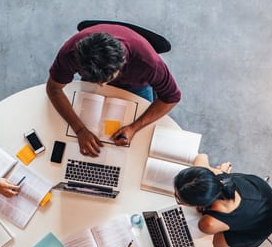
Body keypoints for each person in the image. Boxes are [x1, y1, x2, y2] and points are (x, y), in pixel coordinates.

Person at [46, 23, 181, 157]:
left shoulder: (149, 64)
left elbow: (171, 98)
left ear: (122, 61)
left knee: (138, 144)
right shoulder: (70, 52)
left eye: (107, 79)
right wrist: (80, 129)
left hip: (136, 86)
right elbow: (54, 89)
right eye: (97, 81)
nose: (102, 86)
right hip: (91, 82)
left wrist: (134, 127)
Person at [174, 154, 272, 247]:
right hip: (262, 192)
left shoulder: (207, 224)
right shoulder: (216, 175)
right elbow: (201, 156)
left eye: (178, 198)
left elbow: (208, 235)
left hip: (260, 227)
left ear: (199, 203)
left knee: (205, 244)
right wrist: (219, 171)